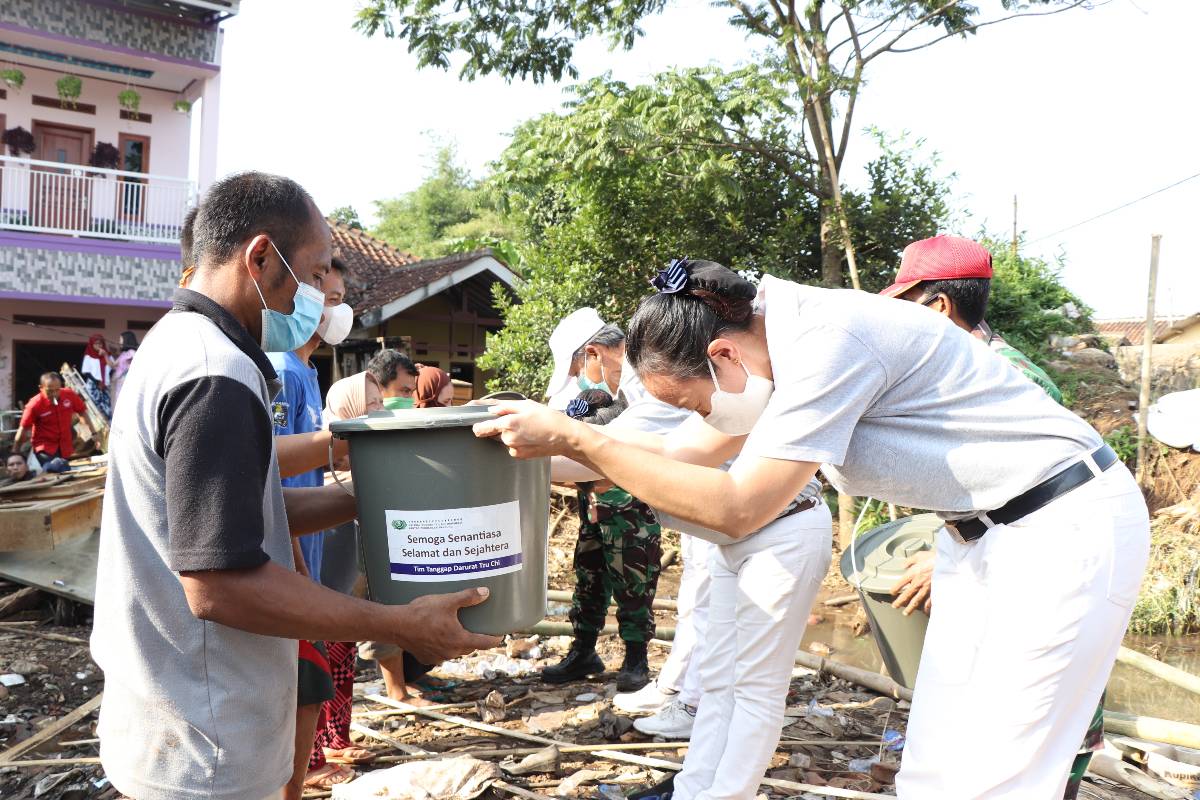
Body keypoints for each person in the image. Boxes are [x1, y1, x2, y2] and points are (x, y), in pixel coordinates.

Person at [474, 257, 1149, 800]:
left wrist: (580, 439)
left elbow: (737, 507)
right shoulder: (780, 347)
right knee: (936, 765)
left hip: (1060, 527)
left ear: (724, 356)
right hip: (976, 536)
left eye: (696, 401)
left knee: (1001, 772)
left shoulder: (828, 341)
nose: (702, 418)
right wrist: (536, 454)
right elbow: (674, 457)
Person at [90, 170, 499, 800]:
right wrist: (399, 621)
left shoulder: (176, 345)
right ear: (259, 258)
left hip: (175, 718)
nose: (317, 300)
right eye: (312, 276)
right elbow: (221, 584)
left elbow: (233, 516)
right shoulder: (214, 375)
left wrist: (360, 499)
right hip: (208, 744)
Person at [881, 234, 1102, 800]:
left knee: (1040, 731)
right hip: (999, 557)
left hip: (1047, 562)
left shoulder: (1008, 380)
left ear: (938, 307)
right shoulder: (965, 374)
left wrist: (957, 546)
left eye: (903, 305)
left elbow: (1039, 497)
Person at [540, 311, 666, 692]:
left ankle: (635, 658)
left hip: (630, 503)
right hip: (593, 500)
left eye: (577, 366)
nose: (575, 376)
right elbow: (557, 413)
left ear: (594, 353)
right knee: (589, 575)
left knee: (634, 578)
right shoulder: (594, 383)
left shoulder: (647, 375)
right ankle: (584, 650)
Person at [14, 372, 96, 466]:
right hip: (45, 448)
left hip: (65, 446)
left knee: (67, 471)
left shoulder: (69, 395)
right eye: (50, 391)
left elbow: (82, 412)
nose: (54, 394)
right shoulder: (34, 405)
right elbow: (23, 428)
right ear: (41, 388)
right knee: (53, 468)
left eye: (57, 390)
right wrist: (15, 452)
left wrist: (94, 433)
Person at [110, 331, 139, 409]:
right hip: (119, 382)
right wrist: (105, 355)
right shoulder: (123, 354)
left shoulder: (132, 353)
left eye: (121, 340)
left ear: (127, 340)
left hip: (126, 383)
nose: (119, 342)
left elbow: (135, 365)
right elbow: (113, 365)